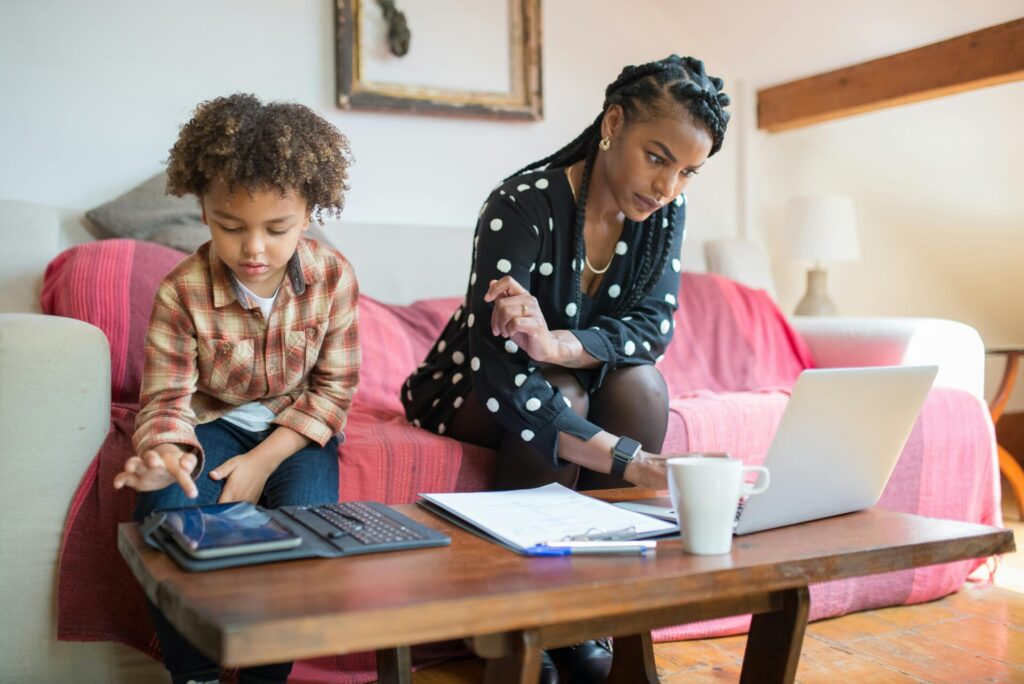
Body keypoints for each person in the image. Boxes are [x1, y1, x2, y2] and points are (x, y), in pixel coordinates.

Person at [401, 55, 729, 683]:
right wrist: (629, 458)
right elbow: (499, 371)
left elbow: (651, 329)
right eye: (657, 157)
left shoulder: (663, 215)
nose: (667, 187)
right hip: (469, 387)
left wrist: (558, 344)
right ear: (613, 123)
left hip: (566, 372)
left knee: (642, 387)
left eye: (687, 171)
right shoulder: (521, 205)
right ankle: (517, 620)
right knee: (562, 393)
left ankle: (589, 616)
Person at [113, 93, 360, 684]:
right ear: (204, 211)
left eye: (277, 229)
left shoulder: (333, 277)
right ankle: (194, 673)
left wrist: (261, 461)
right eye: (231, 226)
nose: (253, 249)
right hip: (212, 421)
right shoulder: (181, 291)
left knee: (309, 527)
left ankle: (264, 677)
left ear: (308, 215)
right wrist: (165, 454)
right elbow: (168, 399)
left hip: (294, 430)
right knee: (166, 512)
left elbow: (334, 390)